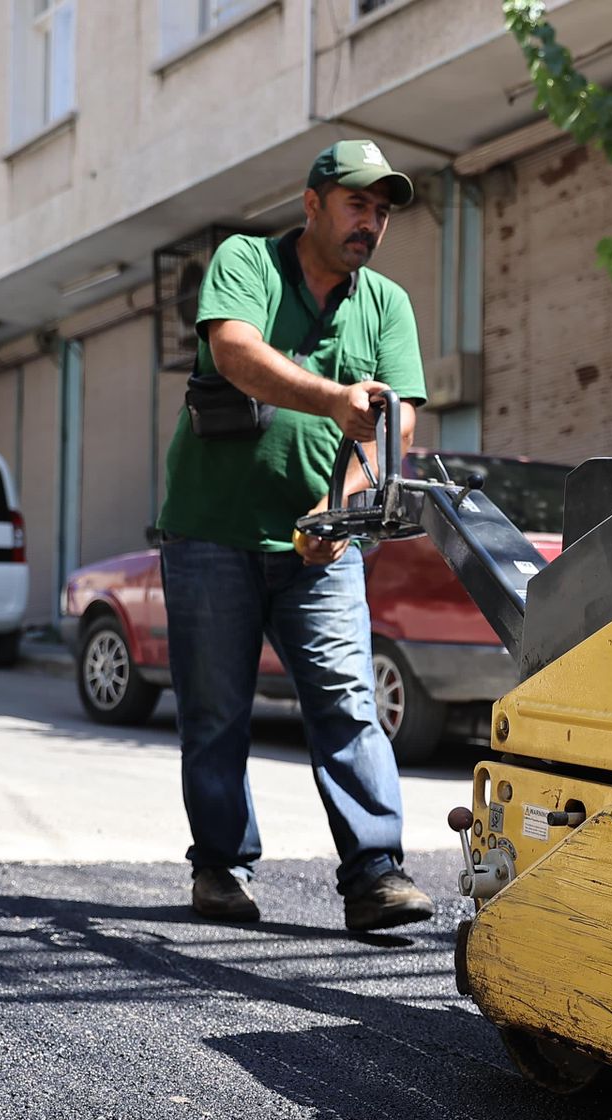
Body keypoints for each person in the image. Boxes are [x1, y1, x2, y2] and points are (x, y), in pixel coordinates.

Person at [154, 139, 433, 932]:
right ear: (311, 204)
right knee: (215, 711)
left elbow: (395, 418)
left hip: (320, 542)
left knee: (347, 700)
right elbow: (233, 350)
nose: (371, 223)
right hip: (211, 529)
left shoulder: (386, 304)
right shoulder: (247, 260)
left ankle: (376, 872)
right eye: (357, 203)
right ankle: (221, 869)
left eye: (382, 211)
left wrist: (337, 511)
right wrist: (331, 400)